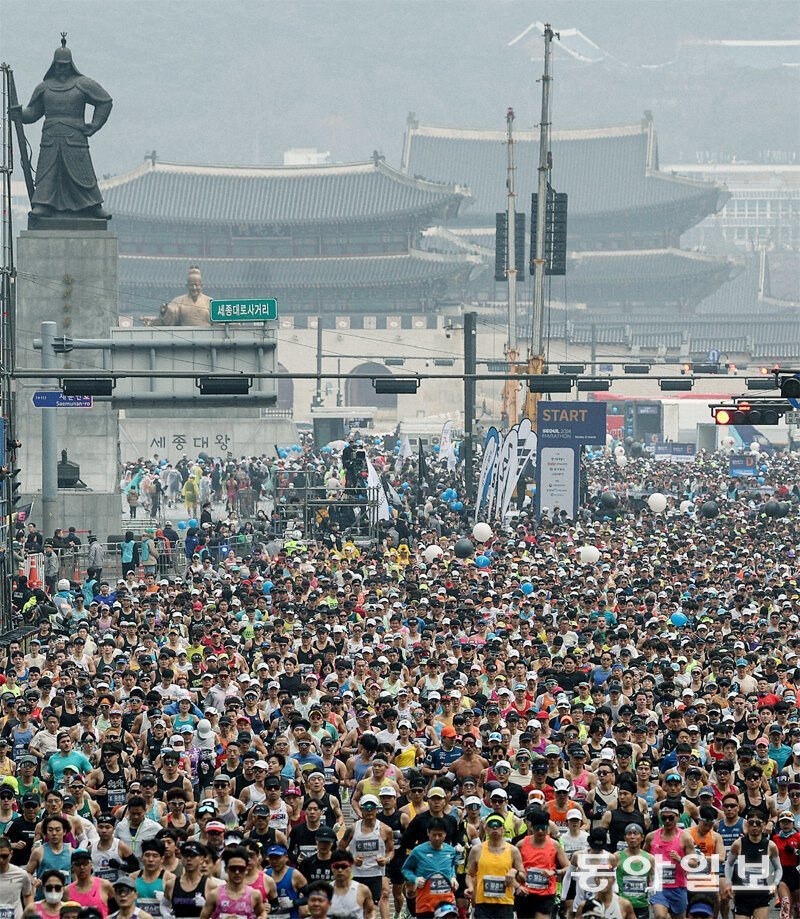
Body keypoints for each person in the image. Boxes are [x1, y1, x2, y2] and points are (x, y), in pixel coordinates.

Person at [11, 36, 112, 220]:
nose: (62, 69)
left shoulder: (83, 84)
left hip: (75, 138)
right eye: (59, 65)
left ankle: (92, 206)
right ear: (53, 65)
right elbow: (33, 112)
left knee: (82, 174)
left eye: (65, 65)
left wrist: (95, 125)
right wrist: (20, 114)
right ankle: (43, 205)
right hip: (50, 138)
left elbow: (104, 101)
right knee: (47, 174)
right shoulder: (44, 87)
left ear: (71, 64)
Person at [726, 808, 783, 919]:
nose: (754, 826)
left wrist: (775, 883)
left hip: (761, 894)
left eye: (758, 823)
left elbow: (778, 868)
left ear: (764, 824)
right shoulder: (738, 844)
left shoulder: (770, 845)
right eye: (751, 823)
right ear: (747, 824)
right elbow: (729, 863)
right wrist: (728, 882)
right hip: (742, 894)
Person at [465, 813, 523, 919]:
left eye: (498, 825)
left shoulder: (513, 850)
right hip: (483, 902)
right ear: (486, 829)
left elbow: (523, 876)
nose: (495, 828)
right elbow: (470, 874)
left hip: (505, 903)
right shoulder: (477, 850)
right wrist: (470, 887)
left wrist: (514, 872)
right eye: (491, 825)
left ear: (504, 829)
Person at [515, 807, 569, 919]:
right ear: (531, 827)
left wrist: (554, 872)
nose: (540, 831)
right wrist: (517, 885)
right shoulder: (521, 844)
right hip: (525, 894)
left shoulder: (555, 845)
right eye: (537, 828)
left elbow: (568, 867)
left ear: (548, 828)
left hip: (546, 894)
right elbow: (510, 866)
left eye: (543, 828)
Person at [401, 817, 459, 919]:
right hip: (425, 905)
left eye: (440, 835)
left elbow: (451, 867)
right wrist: (415, 879)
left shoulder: (450, 851)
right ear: (428, 833)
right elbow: (406, 869)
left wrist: (453, 878)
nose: (437, 838)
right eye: (434, 835)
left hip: (447, 904)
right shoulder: (418, 851)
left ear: (445, 834)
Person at [199, 845, 266, 919]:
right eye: (233, 868)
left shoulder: (254, 895)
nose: (237, 872)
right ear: (226, 869)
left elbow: (262, 912)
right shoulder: (215, 895)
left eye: (241, 869)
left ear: (246, 869)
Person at [328, 849, 375, 919]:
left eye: (344, 866)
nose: (340, 870)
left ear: (351, 866)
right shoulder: (324, 891)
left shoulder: (362, 890)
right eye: (336, 866)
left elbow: (370, 911)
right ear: (332, 868)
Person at [0, 835, 34, 918]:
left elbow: (28, 895)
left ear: (11, 854)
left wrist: (29, 912)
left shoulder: (21, 874)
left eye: (4, 856)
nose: (1, 860)